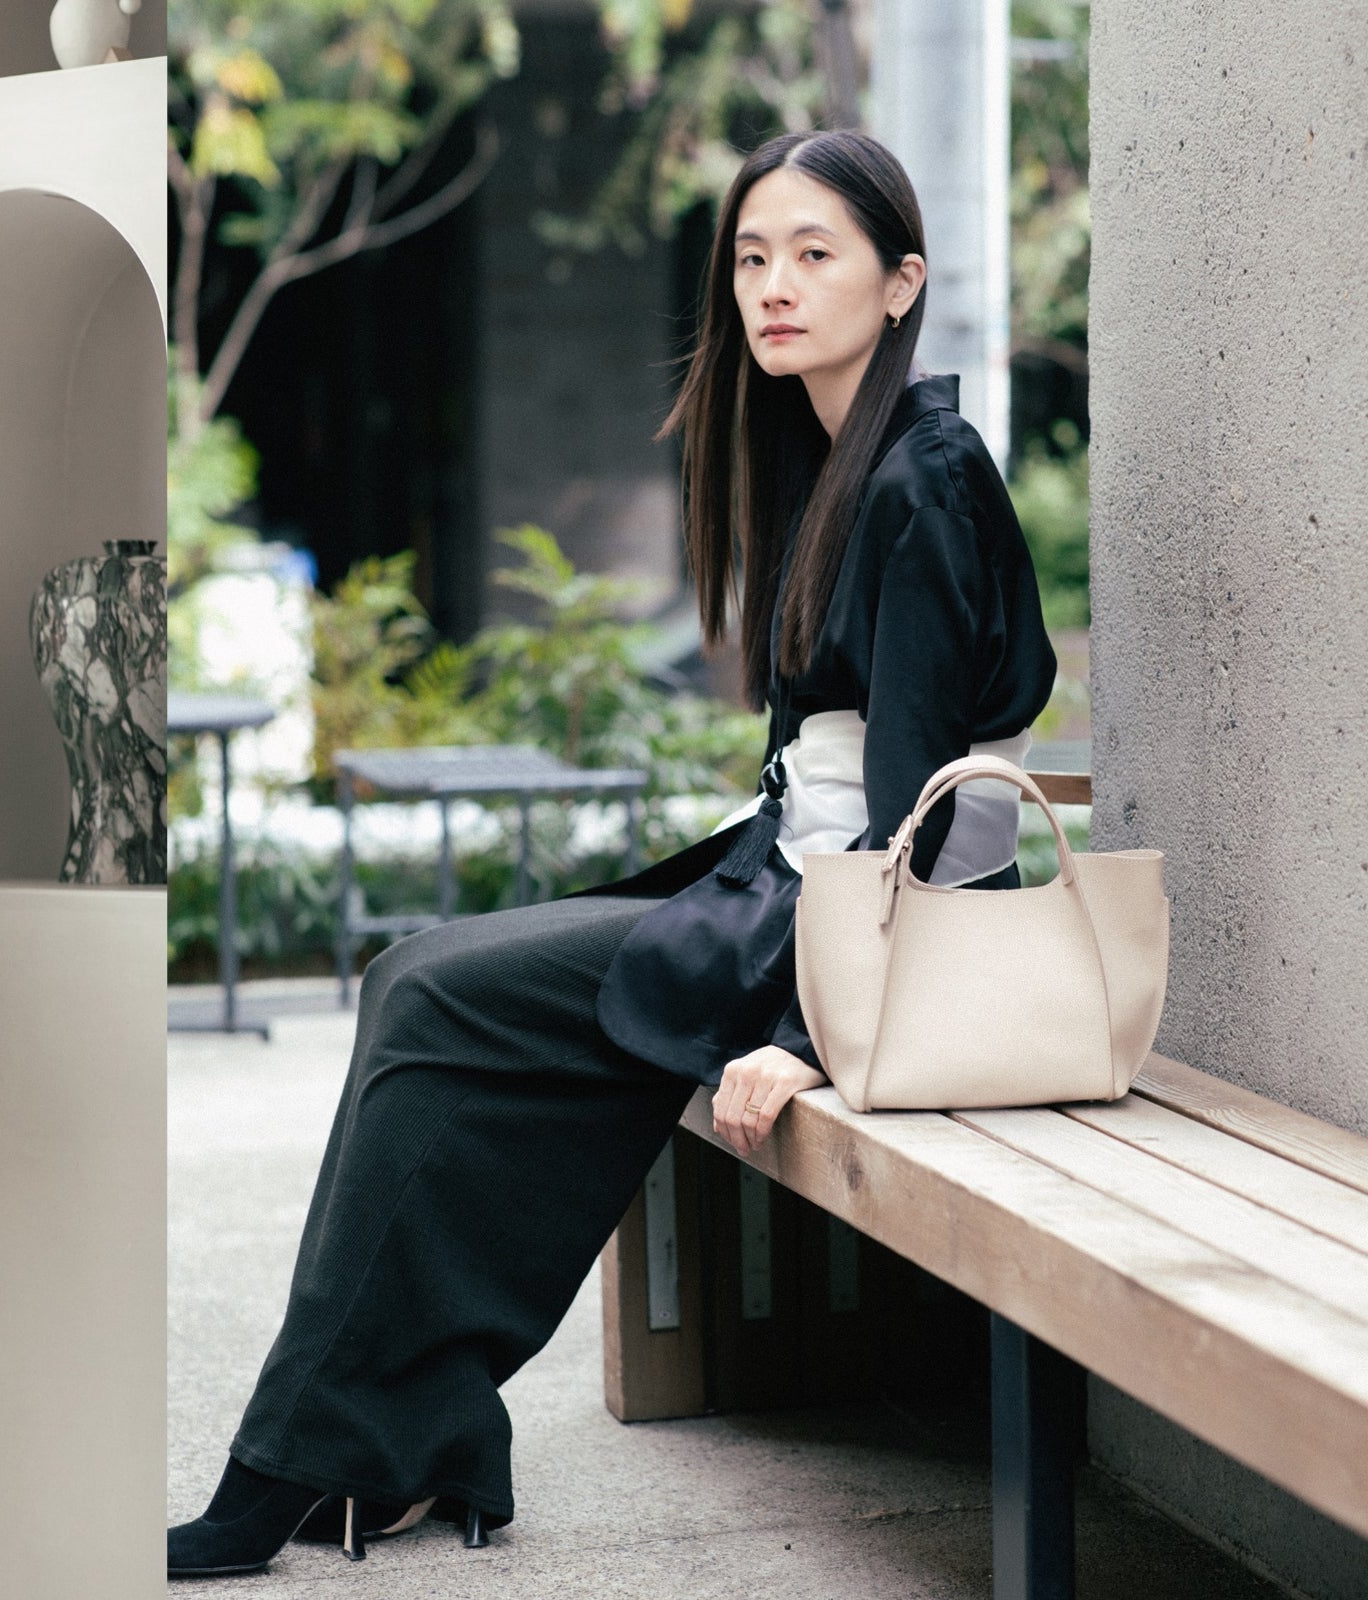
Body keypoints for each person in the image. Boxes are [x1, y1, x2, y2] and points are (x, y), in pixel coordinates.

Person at [166, 127, 1058, 1579]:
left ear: (903, 284)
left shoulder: (925, 477)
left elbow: (939, 809)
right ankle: (410, 1440)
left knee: (434, 1000)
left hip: (843, 929)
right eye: (752, 256)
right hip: (787, 882)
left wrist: (811, 1040)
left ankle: (304, 1469)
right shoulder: (833, 456)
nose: (772, 285)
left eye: (814, 254)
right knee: (419, 979)